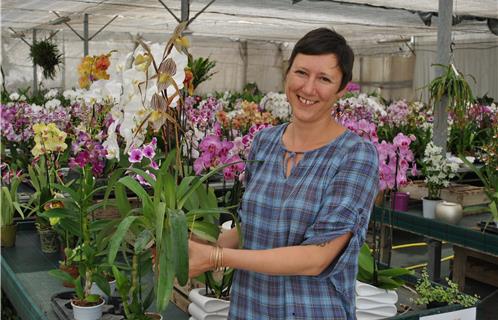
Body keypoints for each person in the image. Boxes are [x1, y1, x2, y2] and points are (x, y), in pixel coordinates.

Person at [188, 28, 379, 319]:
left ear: (342, 89)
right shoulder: (264, 142)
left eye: (324, 79)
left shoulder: (355, 155)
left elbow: (317, 258)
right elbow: (252, 228)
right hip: (249, 308)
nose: (308, 88)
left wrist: (216, 257)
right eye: (301, 72)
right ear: (287, 73)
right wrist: (190, 244)